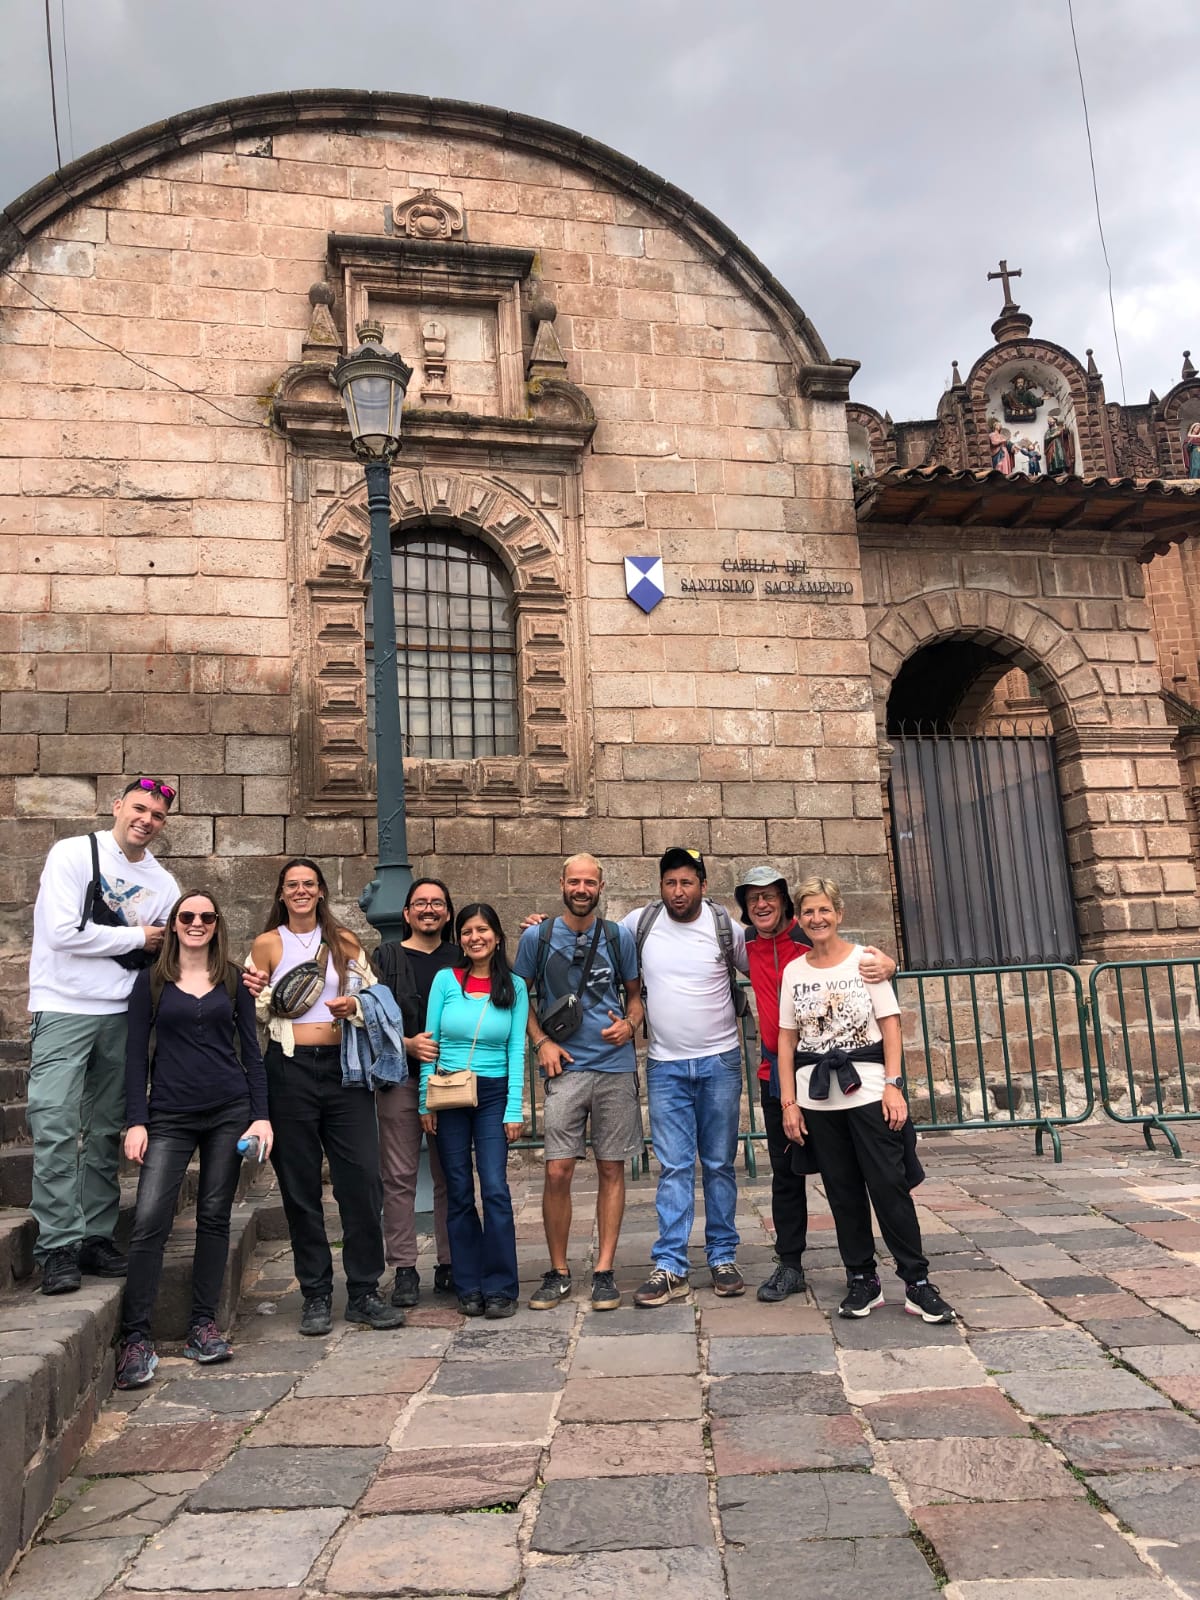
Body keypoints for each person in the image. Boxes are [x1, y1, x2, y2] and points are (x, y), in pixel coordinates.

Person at [777, 877, 954, 1325]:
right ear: (799, 919)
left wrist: (894, 1084)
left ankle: (917, 1281)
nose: (817, 918)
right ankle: (862, 1278)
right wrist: (789, 1103)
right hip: (818, 1097)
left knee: (889, 1185)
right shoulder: (793, 972)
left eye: (824, 910)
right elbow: (786, 1040)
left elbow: (890, 1024)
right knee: (842, 1192)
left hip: (869, 1089)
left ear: (838, 913)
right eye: (808, 911)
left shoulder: (867, 962)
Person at [27, 778, 180, 1295]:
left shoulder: (163, 883)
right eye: (139, 808)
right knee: (54, 1123)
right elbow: (60, 933)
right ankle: (57, 1244)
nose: (146, 820)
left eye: (157, 815)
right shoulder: (73, 853)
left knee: (105, 1132)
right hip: (63, 1005)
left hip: (121, 1014)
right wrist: (137, 935)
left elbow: (169, 948)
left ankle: (95, 1235)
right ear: (117, 806)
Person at [114, 891, 272, 1388]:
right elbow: (135, 1056)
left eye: (206, 916)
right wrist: (136, 1120)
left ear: (217, 923)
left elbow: (251, 1052)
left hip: (229, 1111)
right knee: (149, 1220)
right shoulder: (151, 982)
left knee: (214, 1216)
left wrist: (261, 1117)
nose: (196, 922)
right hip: (169, 1114)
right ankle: (135, 1337)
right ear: (175, 924)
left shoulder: (233, 981)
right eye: (187, 916)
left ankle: (203, 1325)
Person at [247, 858, 403, 1335]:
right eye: (292, 884)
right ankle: (315, 1294)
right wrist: (264, 995)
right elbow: (253, 1010)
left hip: (344, 1070)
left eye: (308, 884)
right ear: (281, 893)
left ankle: (363, 1290)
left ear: (320, 892)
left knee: (362, 1181)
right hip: (288, 1069)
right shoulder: (267, 943)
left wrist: (353, 1004)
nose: (300, 891)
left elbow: (376, 996)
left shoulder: (344, 941)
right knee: (300, 1187)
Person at [738, 864, 897, 1302]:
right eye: (753, 899)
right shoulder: (741, 944)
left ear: (785, 902)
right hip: (779, 1075)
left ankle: (868, 1270)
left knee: (852, 1175)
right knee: (787, 1173)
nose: (762, 904)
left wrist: (891, 963)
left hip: (827, 1075)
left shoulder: (808, 936)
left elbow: (856, 958)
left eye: (770, 896)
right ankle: (790, 1264)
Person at [514, 854, 644, 1313]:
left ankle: (604, 1270)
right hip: (565, 1067)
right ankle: (558, 1270)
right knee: (557, 1170)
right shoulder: (538, 937)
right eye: (575, 881)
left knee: (611, 1168)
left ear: (601, 886)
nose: (582, 889)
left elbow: (635, 997)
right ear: (562, 884)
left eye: (590, 882)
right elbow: (518, 996)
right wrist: (541, 1042)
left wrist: (630, 1025)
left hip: (614, 1066)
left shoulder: (618, 936)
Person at [620, 848, 748, 1309]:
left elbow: (768, 962)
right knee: (674, 1167)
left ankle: (723, 1257)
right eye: (670, 883)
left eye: (687, 882)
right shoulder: (640, 923)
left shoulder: (724, 926)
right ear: (661, 886)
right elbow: (595, 941)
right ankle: (671, 1264)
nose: (678, 891)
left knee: (718, 1164)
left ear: (703, 886)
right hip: (665, 1066)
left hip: (720, 1063)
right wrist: (545, 931)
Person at [419, 903, 528, 1320]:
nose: (474, 937)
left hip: (494, 1093)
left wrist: (513, 1108)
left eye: (482, 930)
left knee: (495, 1187)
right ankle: (468, 1284)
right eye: (467, 931)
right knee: (459, 1188)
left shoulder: (514, 987)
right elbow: (430, 1042)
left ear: (497, 937)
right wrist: (425, 1099)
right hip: (449, 1092)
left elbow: (516, 1049)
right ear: (459, 939)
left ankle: (501, 1285)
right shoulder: (445, 980)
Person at [371, 878, 457, 1307]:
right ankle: (404, 1267)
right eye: (420, 903)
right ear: (406, 913)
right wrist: (405, 1044)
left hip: (452, 1081)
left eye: (437, 903)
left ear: (448, 912)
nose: (429, 909)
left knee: (451, 1175)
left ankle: (450, 1262)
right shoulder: (385, 958)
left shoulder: (460, 957)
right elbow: (369, 1017)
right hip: (400, 1078)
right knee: (399, 1176)